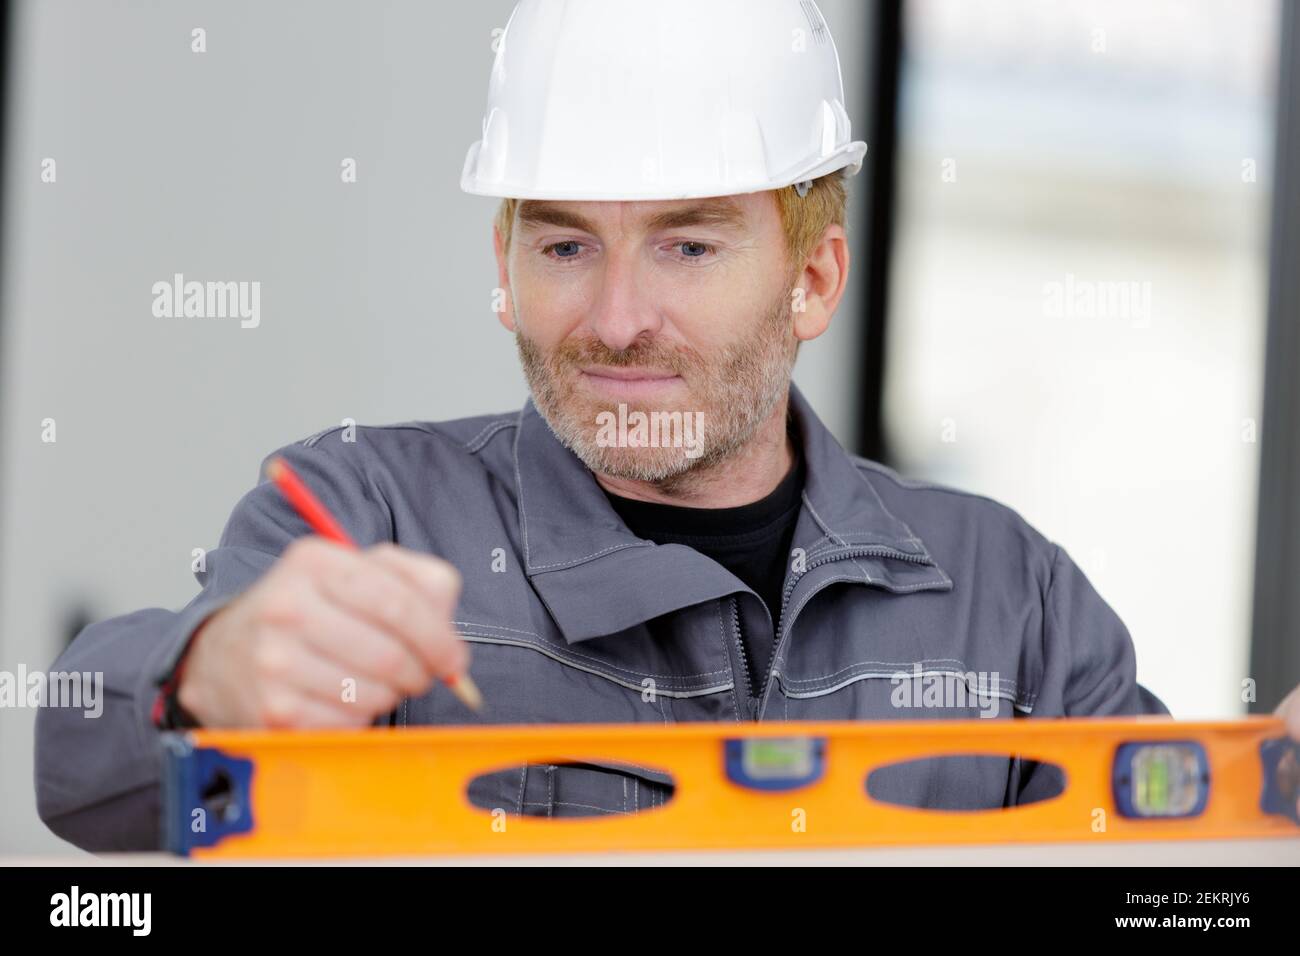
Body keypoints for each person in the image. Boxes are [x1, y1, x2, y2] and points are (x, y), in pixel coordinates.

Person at [35, 0, 1300, 851]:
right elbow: (79, 769)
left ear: (811, 278)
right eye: (567, 242)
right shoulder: (364, 512)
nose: (617, 319)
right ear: (505, 257)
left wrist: (1268, 808)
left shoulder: (1006, 600)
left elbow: (1163, 874)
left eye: (689, 243)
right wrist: (201, 676)